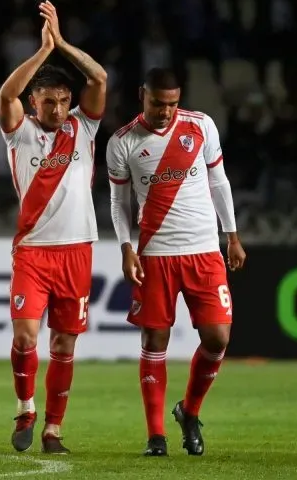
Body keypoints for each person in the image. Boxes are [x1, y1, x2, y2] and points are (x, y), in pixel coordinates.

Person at [105, 67, 246, 457]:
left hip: (204, 251)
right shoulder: (122, 143)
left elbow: (219, 182)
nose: (165, 111)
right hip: (156, 255)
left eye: (172, 103)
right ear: (141, 95)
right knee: (155, 340)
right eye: (157, 103)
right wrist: (125, 247)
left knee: (218, 338)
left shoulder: (201, 126)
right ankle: (156, 436)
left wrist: (231, 235)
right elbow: (119, 203)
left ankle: (190, 411)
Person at [0, 1, 107, 454]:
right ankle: (26, 408)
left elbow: (98, 79)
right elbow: (6, 96)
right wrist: (42, 53)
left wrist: (62, 44)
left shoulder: (84, 128)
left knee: (64, 344)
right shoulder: (19, 132)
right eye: (49, 101)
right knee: (25, 336)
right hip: (34, 252)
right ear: (34, 103)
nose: (59, 108)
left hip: (77, 251)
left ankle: (54, 429)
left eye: (64, 100)